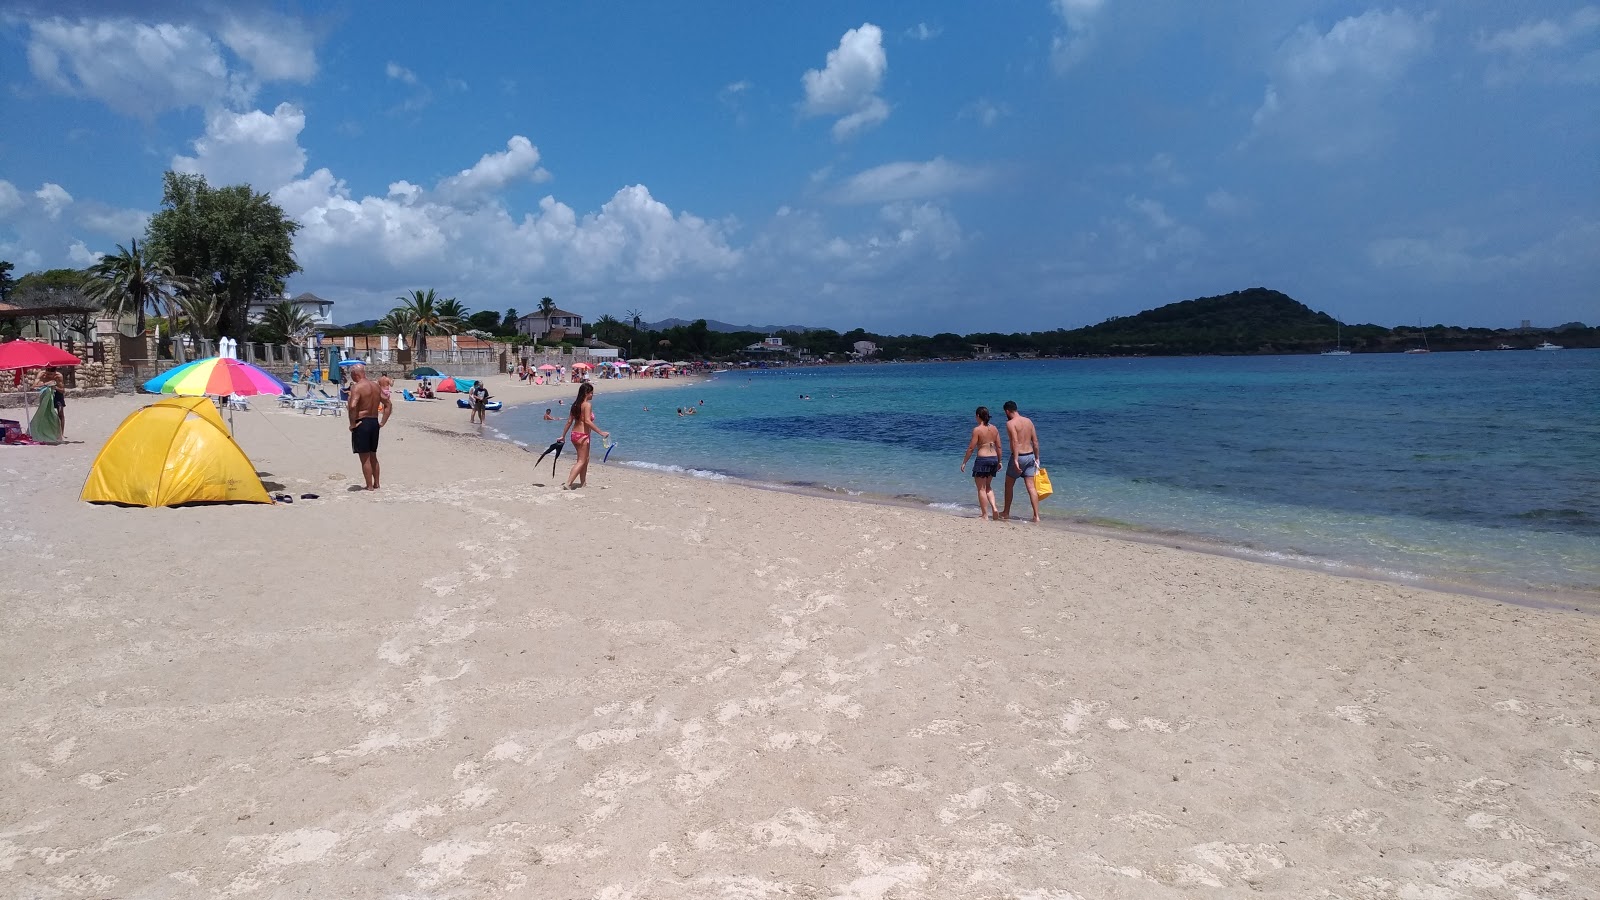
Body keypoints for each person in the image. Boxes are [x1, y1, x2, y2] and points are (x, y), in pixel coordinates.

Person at [346, 364, 390, 490]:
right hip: (374, 422)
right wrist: (383, 422)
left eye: (352, 375)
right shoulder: (375, 386)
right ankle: (376, 483)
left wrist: (352, 424)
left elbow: (353, 406)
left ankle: (369, 486)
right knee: (373, 455)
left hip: (362, 423)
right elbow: (388, 403)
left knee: (364, 457)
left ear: (355, 374)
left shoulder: (357, 387)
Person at [560, 382, 608, 490]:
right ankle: (568, 483)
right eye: (591, 393)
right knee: (581, 461)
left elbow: (569, 421)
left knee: (585, 459)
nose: (592, 395)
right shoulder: (587, 405)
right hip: (583, 436)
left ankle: (583, 482)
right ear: (586, 393)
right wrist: (601, 432)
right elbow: (587, 421)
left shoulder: (575, 405)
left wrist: (563, 436)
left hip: (574, 435)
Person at [1000, 400, 1042, 523]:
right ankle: (1036, 516)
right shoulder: (1029, 421)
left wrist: (1016, 459)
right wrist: (1037, 458)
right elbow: (1035, 441)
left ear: (1007, 411)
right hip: (1030, 456)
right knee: (1031, 487)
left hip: (1019, 456)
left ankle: (1006, 512)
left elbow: (1015, 441)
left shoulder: (1010, 423)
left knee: (1009, 484)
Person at [960, 406, 1002, 521]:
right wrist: (1000, 461)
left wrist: (964, 462)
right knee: (988, 486)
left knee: (981, 488)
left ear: (978, 416)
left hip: (983, 460)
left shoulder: (977, 430)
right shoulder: (994, 429)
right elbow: (998, 446)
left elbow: (971, 448)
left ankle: (985, 515)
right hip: (993, 458)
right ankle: (994, 508)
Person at [34, 366, 66, 440]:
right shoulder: (41, 374)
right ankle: (44, 431)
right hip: (46, 393)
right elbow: (34, 386)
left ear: (55, 373)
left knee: (60, 412)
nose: (49, 376)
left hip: (57, 393)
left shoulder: (59, 376)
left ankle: (61, 433)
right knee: (44, 412)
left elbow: (63, 390)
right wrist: (46, 384)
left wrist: (55, 387)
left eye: (51, 374)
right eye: (47, 374)